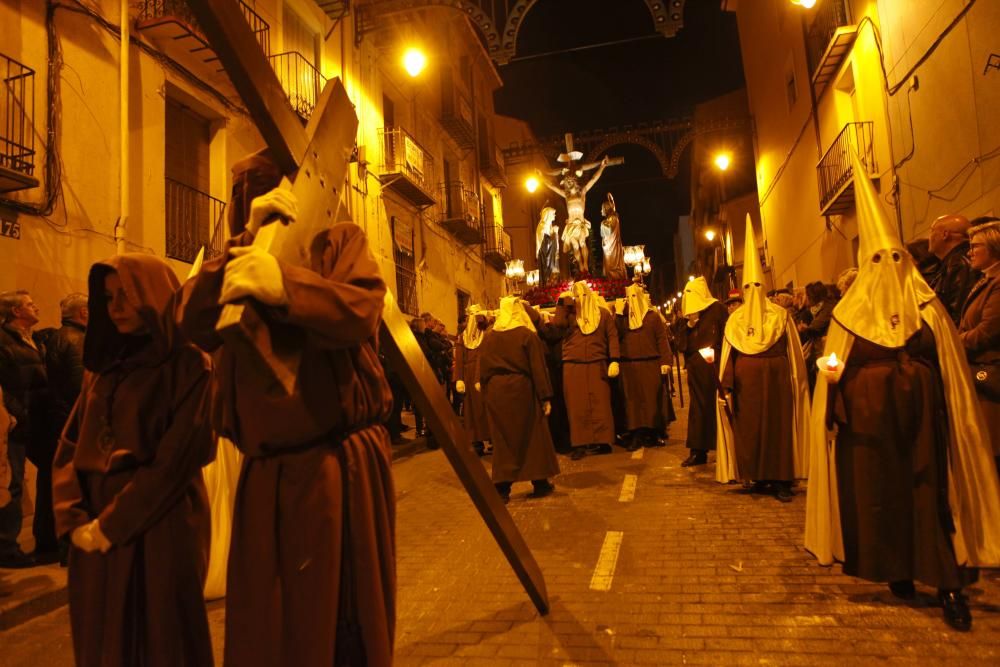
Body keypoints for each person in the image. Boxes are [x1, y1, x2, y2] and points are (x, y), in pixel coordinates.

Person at [176, 151, 395, 665]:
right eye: (241, 194)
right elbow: (190, 319)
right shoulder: (233, 259)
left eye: (262, 187)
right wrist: (244, 242)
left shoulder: (338, 241)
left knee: (336, 621)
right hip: (264, 471)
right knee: (267, 624)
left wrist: (284, 286)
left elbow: (361, 309)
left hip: (333, 468)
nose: (250, 198)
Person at [805, 156, 1000, 632]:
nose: (888, 267)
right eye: (878, 258)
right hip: (868, 425)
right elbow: (833, 366)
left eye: (895, 257)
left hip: (922, 420)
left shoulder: (927, 306)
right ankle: (896, 569)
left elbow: (950, 362)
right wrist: (832, 390)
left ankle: (949, 582)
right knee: (878, 496)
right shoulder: (848, 314)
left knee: (928, 493)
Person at [52, 254, 215, 665]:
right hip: (91, 525)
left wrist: (114, 524)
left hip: (160, 523)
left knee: (160, 635)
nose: (116, 308)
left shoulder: (190, 364)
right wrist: (71, 518)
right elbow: (71, 445)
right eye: (108, 298)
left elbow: (176, 460)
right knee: (100, 635)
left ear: (155, 294)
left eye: (127, 295)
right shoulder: (102, 368)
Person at [715, 216, 811, 501]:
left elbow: (793, 353)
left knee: (778, 429)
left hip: (777, 381)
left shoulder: (780, 316)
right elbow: (729, 355)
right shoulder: (735, 321)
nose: (752, 293)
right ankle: (755, 475)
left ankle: (782, 478)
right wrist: (727, 385)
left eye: (757, 286)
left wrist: (795, 381)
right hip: (747, 388)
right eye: (748, 288)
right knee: (751, 430)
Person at [479, 297, 559, 503]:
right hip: (522, 389)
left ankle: (502, 488)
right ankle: (540, 483)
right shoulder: (527, 335)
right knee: (533, 436)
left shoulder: (488, 337)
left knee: (503, 439)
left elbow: (484, 369)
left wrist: (487, 391)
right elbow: (538, 368)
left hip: (497, 392)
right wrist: (545, 396)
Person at [34, 292, 89, 564]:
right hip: (72, 423)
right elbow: (82, 389)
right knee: (75, 488)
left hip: (58, 420)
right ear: (83, 314)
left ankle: (48, 542)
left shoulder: (57, 336)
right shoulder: (77, 340)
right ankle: (69, 550)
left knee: (52, 484)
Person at [0, 290, 48, 568]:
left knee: (21, 482)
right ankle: (7, 547)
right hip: (14, 424)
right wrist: (16, 414)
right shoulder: (5, 341)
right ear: (17, 312)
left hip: (33, 422)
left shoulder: (33, 340)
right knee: (11, 484)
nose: (36, 307)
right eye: (30, 304)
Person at [552, 281, 620, 460]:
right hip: (573, 365)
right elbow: (557, 325)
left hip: (597, 362)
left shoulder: (603, 314)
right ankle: (580, 444)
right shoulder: (569, 315)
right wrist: (562, 305)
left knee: (600, 404)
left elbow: (612, 337)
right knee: (576, 407)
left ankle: (603, 441)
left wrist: (614, 360)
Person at [958, 216, 1000, 468]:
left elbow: (987, 330)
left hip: (991, 374)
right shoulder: (985, 281)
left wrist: (953, 342)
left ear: (994, 247)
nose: (970, 252)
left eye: (975, 246)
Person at [676, 277, 727, 466]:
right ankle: (698, 450)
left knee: (718, 406)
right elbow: (681, 345)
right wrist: (689, 326)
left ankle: (724, 446)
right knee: (698, 409)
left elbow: (725, 335)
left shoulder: (718, 310)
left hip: (715, 368)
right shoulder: (687, 318)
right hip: (696, 371)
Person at [616, 283, 674, 450]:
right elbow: (616, 335)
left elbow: (661, 340)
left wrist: (665, 362)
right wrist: (619, 315)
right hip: (629, 365)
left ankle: (653, 432)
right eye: (629, 297)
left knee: (651, 401)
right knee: (632, 402)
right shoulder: (623, 318)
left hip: (650, 364)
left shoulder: (652, 317)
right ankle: (635, 433)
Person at [537, 155, 611, 275]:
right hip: (571, 225)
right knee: (576, 246)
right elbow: (552, 186)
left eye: (571, 181)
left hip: (580, 224)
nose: (569, 183)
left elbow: (593, 179)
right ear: (566, 183)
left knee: (582, 243)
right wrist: (541, 177)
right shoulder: (566, 196)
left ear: (575, 181)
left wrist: (602, 166)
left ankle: (585, 264)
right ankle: (581, 266)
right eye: (567, 181)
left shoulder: (582, 193)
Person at [454, 305, 491, 455]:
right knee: (472, 411)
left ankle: (492, 439)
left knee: (486, 409)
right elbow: (459, 360)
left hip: (484, 374)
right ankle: (476, 442)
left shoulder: (486, 335)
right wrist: (459, 378)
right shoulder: (463, 338)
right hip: (469, 377)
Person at [927, 214, 978, 324]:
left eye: (932, 231)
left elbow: (958, 312)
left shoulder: (959, 263)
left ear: (945, 234)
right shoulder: (951, 263)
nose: (929, 237)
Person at [600, 193, 627, 279]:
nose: (601, 211)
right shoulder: (611, 218)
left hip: (612, 247)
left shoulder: (612, 218)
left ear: (606, 208)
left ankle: (615, 277)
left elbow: (607, 233)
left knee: (612, 264)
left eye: (602, 209)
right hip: (609, 246)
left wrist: (602, 224)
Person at [535, 206, 559, 286]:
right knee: (548, 276)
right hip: (545, 256)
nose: (555, 216)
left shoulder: (548, 226)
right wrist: (555, 233)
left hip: (548, 255)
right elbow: (546, 243)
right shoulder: (543, 226)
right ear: (548, 215)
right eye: (553, 214)